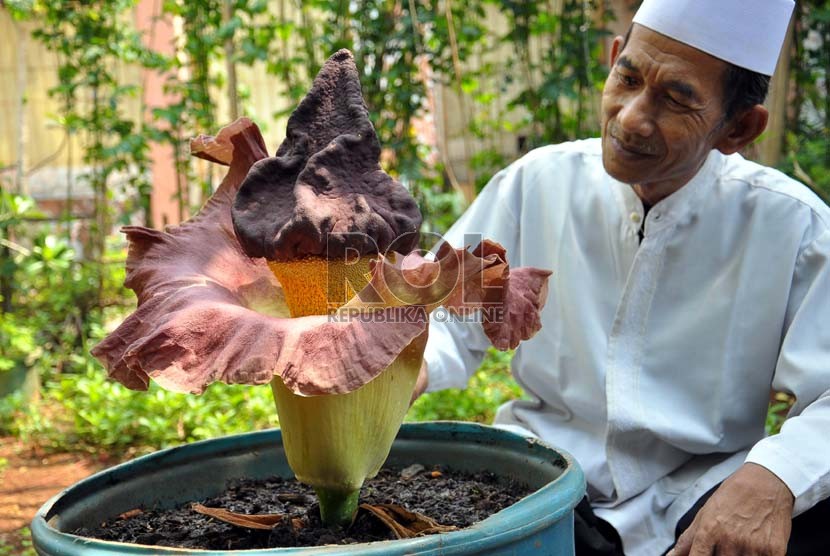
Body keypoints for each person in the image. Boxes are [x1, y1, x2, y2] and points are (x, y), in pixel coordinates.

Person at [414, 0, 830, 554]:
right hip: (546, 480)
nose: (631, 116)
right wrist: (398, 363)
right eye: (627, 77)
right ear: (612, 58)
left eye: (676, 99)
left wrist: (774, 478)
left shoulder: (794, 226)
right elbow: (440, 316)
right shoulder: (537, 183)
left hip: (702, 493)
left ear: (740, 128)